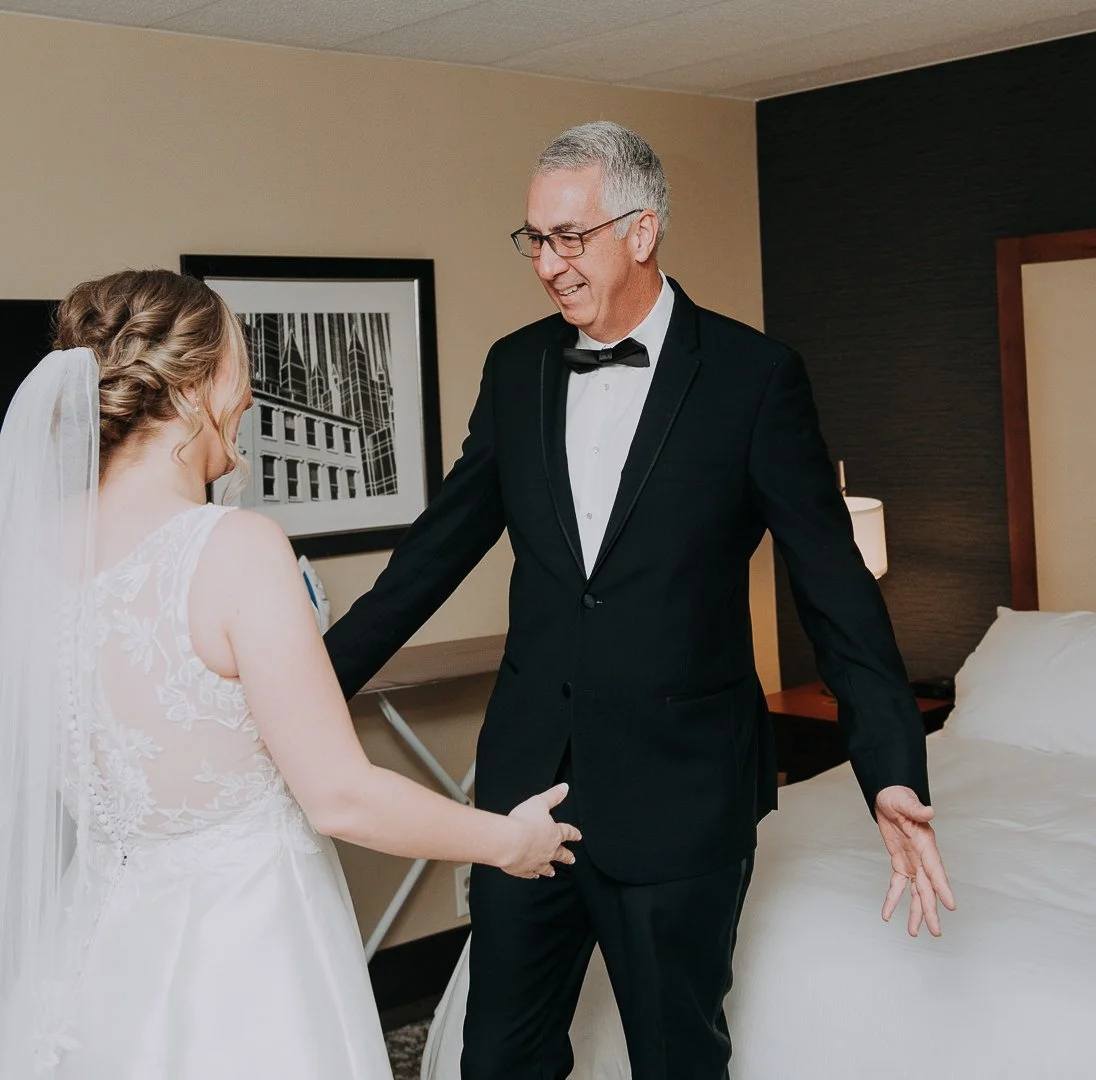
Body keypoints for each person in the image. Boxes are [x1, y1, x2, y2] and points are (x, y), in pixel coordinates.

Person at [324, 121, 955, 1080]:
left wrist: (891, 768)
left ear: (642, 230)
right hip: (527, 788)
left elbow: (834, 588)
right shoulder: (516, 367)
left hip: (682, 791)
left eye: (569, 237)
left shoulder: (753, 377)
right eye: (535, 238)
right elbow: (431, 556)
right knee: (496, 1058)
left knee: (675, 1056)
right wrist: (307, 689)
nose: (547, 263)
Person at [0, 269, 580, 1080]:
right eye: (238, 369)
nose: (248, 397)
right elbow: (340, 795)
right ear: (192, 388)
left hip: (94, 951)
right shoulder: (232, 548)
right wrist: (510, 841)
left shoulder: (28, 552)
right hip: (241, 954)